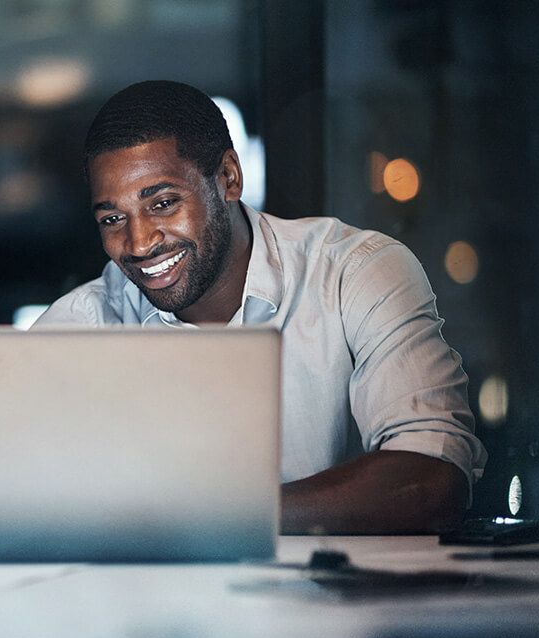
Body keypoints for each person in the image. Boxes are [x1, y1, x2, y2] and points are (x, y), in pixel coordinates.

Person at [36, 80, 485, 534]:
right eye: (113, 219)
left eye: (163, 203)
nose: (138, 242)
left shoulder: (355, 273)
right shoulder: (82, 326)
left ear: (229, 177)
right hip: (151, 604)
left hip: (336, 602)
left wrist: (210, 520)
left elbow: (431, 481)